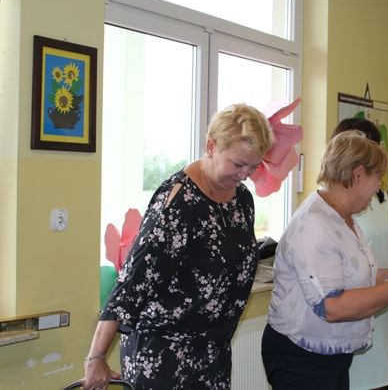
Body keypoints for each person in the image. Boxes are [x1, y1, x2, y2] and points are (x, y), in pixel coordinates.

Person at [82, 104, 274, 390]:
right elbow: (134, 280)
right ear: (212, 146)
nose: (245, 174)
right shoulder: (179, 202)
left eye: (254, 166)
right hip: (163, 355)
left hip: (213, 353)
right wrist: (96, 356)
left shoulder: (242, 200)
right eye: (238, 164)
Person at [261, 130, 388, 390]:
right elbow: (331, 306)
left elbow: (345, 275)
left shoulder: (344, 218)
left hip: (331, 355)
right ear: (358, 175)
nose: (379, 187)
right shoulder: (315, 225)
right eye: (378, 177)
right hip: (301, 357)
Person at [330, 118, 388, 390]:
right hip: (353, 308)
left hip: (381, 306)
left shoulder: (378, 198)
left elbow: (378, 250)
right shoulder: (336, 208)